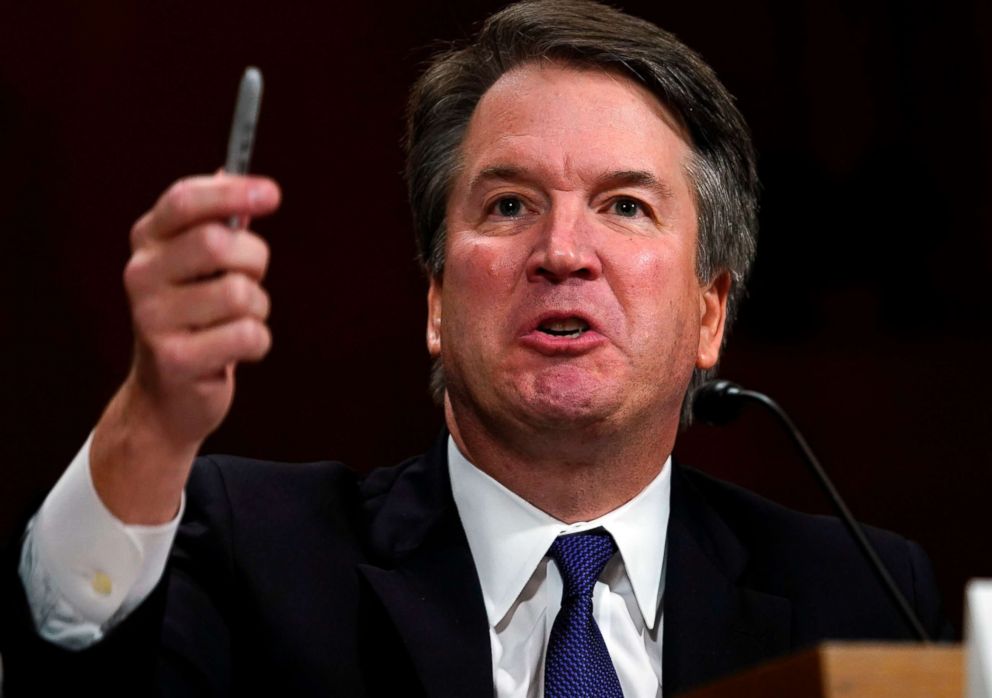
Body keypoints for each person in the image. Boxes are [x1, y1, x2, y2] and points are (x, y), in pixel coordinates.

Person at [3, 1, 951, 696]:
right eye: (509, 206)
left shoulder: (858, 592)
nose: (563, 253)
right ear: (436, 300)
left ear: (710, 315)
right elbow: (69, 656)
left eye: (624, 206)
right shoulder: (258, 556)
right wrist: (151, 423)